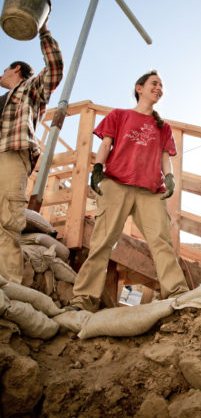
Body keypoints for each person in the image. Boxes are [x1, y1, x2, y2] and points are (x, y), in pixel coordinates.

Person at [67, 70, 189, 312]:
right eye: (154, 83)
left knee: (162, 243)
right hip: (116, 185)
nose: (159, 88)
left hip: (150, 191)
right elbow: (105, 144)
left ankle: (178, 294)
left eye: (161, 86)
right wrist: (98, 167)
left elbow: (166, 158)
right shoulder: (119, 115)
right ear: (139, 88)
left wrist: (170, 178)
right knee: (102, 242)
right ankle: (83, 300)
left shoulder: (162, 127)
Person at [0, 20, 63, 283]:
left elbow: (55, 70)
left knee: (7, 220)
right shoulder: (2, 100)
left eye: (4, 69)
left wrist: (44, 30)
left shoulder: (30, 89)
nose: (1, 73)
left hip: (12, 153)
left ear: (16, 69)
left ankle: (10, 290)